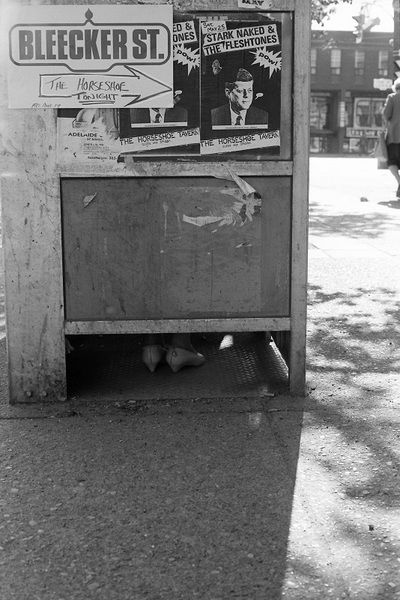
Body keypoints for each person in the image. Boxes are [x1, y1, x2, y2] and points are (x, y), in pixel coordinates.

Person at [382, 78, 400, 197]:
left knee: (392, 161)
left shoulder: (392, 97)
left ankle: (399, 181)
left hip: (395, 136)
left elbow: (385, 115)